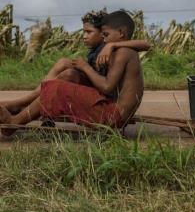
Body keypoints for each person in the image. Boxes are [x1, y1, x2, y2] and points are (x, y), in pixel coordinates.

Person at [0, 10, 145, 135]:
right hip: (115, 113)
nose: (104, 39)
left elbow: (107, 87)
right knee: (63, 79)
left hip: (113, 117)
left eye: (106, 35)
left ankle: (14, 122)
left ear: (120, 33)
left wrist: (86, 67)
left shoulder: (123, 53)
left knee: (58, 88)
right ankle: (22, 109)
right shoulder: (123, 50)